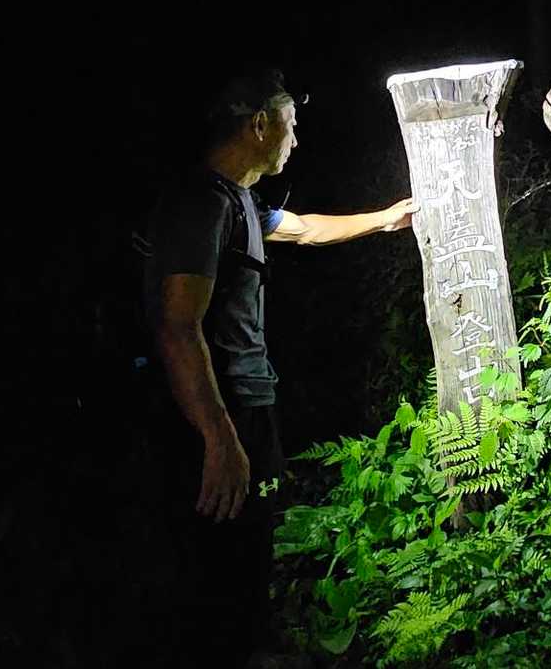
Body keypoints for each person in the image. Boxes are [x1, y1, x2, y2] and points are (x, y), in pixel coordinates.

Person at [142, 66, 415, 667]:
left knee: (250, 550)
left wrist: (384, 218)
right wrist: (219, 437)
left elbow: (306, 229)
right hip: (222, 410)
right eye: (291, 125)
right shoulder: (200, 203)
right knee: (218, 562)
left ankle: (249, 644)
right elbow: (177, 326)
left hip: (248, 405)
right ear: (260, 124)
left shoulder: (240, 200)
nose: (297, 138)